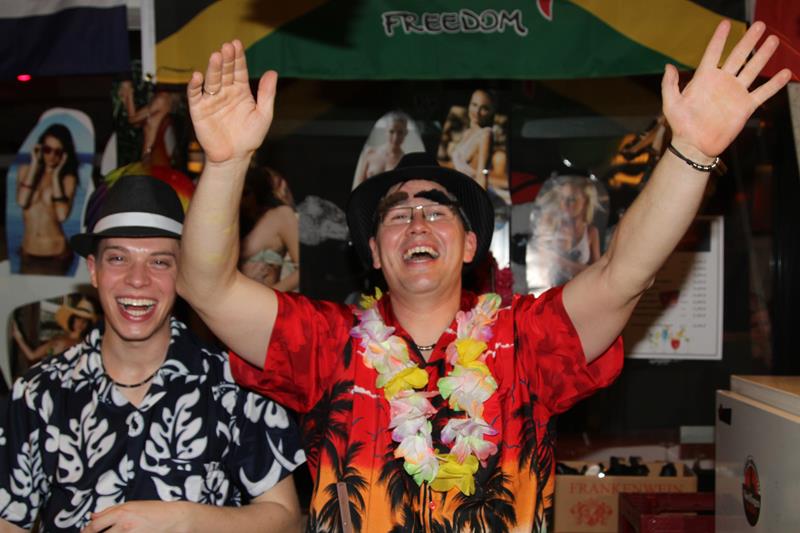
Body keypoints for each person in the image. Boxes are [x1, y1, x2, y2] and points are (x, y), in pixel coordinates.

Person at [178, 21, 790, 532]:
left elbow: (622, 273)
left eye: (436, 210)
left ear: (471, 244)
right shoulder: (325, 344)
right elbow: (206, 287)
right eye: (397, 215)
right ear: (374, 252)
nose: (417, 222)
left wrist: (690, 152)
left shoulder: (527, 341)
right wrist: (226, 164)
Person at [0, 174, 305, 532]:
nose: (137, 279)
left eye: (159, 262)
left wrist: (187, 520)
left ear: (183, 273)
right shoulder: (38, 393)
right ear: (94, 270)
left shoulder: (236, 385)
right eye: (118, 258)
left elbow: (286, 520)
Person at [15, 123, 79, 275]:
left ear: (64, 154)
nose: (51, 156)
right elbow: (22, 201)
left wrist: (55, 176)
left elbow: (62, 216)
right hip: (28, 251)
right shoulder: (25, 171)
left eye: (58, 152)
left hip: (56, 255)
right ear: (40, 148)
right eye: (47, 149)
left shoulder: (67, 179)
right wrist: (34, 165)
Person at [527, 176, 603, 290]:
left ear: (585, 201)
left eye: (572, 199)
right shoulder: (551, 225)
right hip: (551, 290)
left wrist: (561, 262)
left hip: (580, 292)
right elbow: (542, 263)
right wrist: (581, 269)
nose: (565, 204)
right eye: (562, 198)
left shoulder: (591, 232)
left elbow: (597, 272)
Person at [239, 164, 300, 292]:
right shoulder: (235, 222)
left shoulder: (281, 216)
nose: (241, 200)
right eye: (236, 194)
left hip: (264, 299)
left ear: (259, 191)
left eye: (246, 193)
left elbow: (303, 270)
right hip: (232, 299)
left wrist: (270, 296)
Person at [10, 296, 97, 365]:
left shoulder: (85, 344)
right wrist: (18, 336)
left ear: (88, 324)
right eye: (78, 318)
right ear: (73, 319)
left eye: (85, 321)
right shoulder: (57, 339)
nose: (81, 323)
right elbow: (32, 355)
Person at [353, 112, 409, 187]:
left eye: (400, 132)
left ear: (406, 133)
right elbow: (358, 187)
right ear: (385, 131)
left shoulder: (405, 161)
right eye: (391, 131)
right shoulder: (370, 153)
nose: (395, 137)